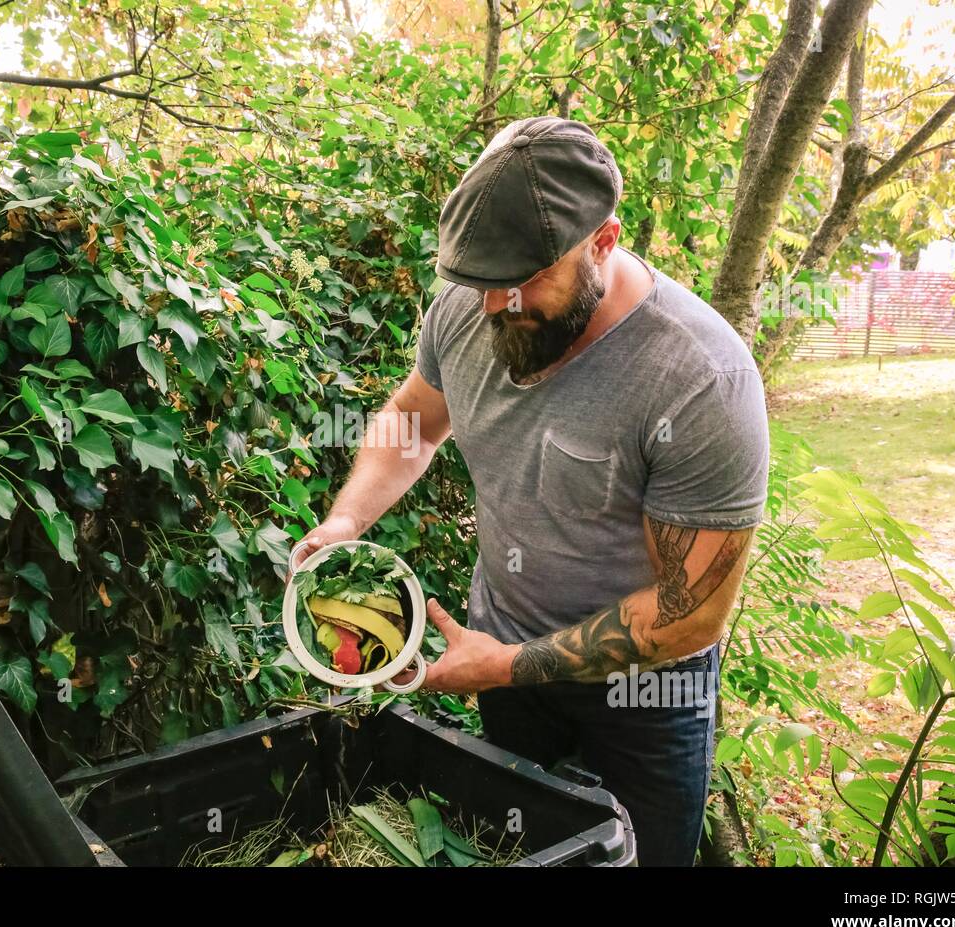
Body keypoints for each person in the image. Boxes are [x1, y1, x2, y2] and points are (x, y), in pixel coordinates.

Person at [291, 116, 769, 866]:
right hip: (505, 659)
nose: (493, 308)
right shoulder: (470, 303)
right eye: (480, 283)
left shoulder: (701, 379)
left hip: (644, 699)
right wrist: (347, 518)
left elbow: (689, 614)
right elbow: (414, 423)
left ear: (604, 243)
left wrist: (504, 665)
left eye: (520, 282)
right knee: (517, 850)